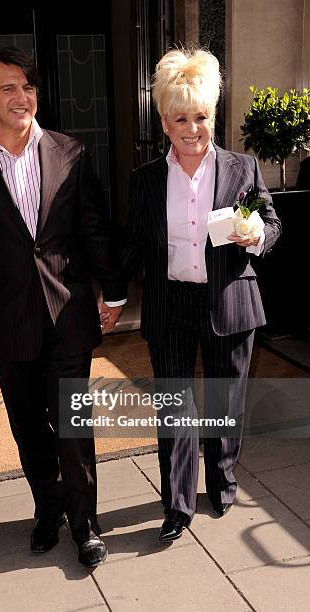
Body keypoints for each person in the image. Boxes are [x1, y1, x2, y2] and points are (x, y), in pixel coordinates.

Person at [0, 47, 125, 567]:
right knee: (27, 427)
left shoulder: (71, 151)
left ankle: (85, 523)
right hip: (6, 320)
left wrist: (112, 291)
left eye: (27, 86)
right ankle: (49, 510)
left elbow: (93, 228)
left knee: (73, 425)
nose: (20, 97)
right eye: (7, 88)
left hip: (67, 314)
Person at [121, 48, 281, 543]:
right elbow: (132, 245)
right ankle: (177, 503)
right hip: (171, 305)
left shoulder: (242, 170)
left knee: (225, 402)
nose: (193, 128)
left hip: (229, 301)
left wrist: (255, 236)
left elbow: (271, 224)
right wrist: (106, 295)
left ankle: (222, 479)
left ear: (214, 114)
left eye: (202, 116)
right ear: (165, 123)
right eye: (181, 118)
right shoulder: (145, 181)